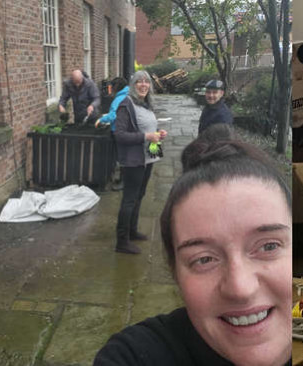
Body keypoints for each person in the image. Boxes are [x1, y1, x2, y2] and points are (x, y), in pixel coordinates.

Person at [93, 128, 292, 366]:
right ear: (175, 272)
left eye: (269, 246)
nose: (240, 288)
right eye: (204, 259)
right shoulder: (134, 356)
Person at [112, 70, 168, 254]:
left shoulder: (146, 103)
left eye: (146, 81)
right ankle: (122, 241)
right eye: (139, 82)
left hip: (149, 156)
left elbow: (148, 126)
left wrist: (158, 132)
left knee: (140, 195)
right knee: (129, 199)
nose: (144, 85)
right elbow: (119, 135)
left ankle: (132, 231)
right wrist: (146, 136)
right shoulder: (125, 104)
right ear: (133, 85)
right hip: (133, 160)